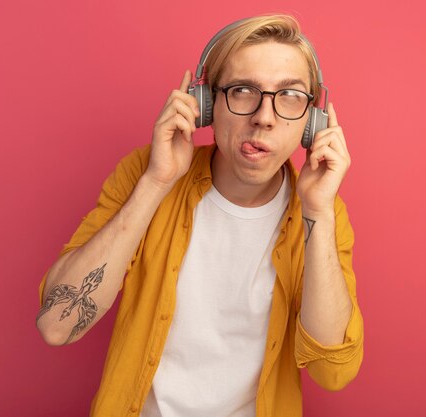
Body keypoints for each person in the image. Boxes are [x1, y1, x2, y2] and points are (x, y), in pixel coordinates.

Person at [36, 14, 364, 417]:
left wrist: (318, 211)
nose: (264, 116)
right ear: (206, 104)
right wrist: (157, 182)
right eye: (243, 90)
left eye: (290, 96)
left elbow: (333, 371)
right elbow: (57, 325)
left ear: (312, 122)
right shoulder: (146, 173)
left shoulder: (321, 213)